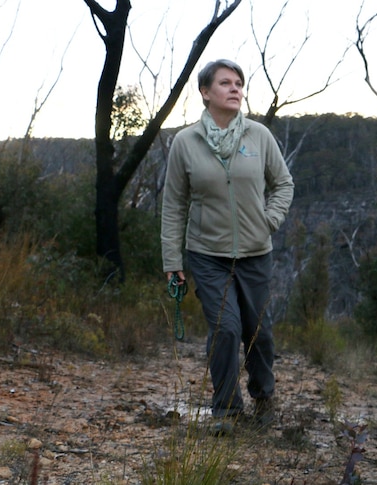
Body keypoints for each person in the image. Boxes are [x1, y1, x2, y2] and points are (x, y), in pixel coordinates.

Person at [161, 59, 294, 433]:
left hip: (255, 254)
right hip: (206, 254)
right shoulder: (185, 143)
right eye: (225, 83)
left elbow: (284, 184)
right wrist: (172, 259)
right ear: (205, 93)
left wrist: (268, 221)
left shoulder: (259, 136)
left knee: (259, 332)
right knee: (226, 329)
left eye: (239, 83)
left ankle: (264, 397)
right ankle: (226, 411)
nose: (235, 88)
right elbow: (173, 205)